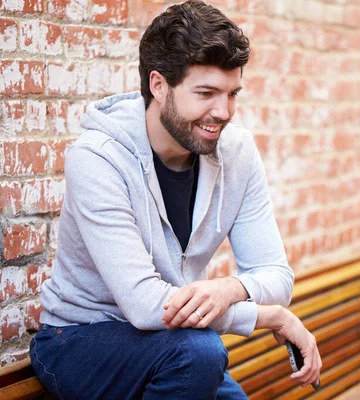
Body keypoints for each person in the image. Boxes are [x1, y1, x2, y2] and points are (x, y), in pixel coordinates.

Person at [29, 1, 322, 398]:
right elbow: (145, 303)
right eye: (205, 93)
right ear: (158, 84)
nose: (222, 112)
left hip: (178, 343)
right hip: (81, 338)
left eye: (231, 94)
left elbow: (276, 273)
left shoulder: (237, 152)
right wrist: (267, 316)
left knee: (199, 354)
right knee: (201, 354)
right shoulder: (98, 158)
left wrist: (230, 289)